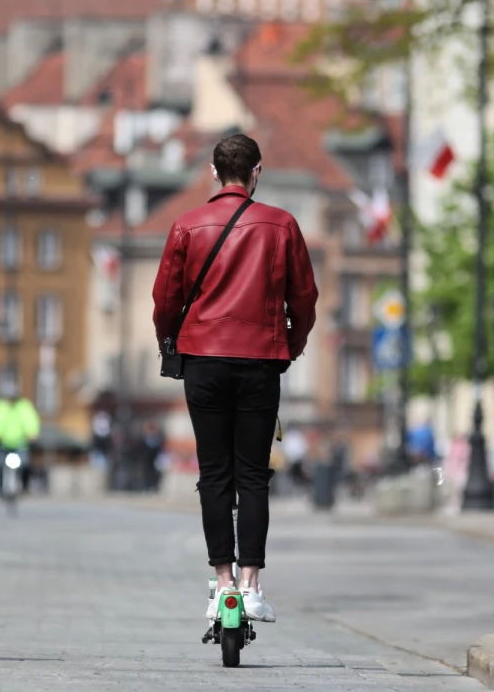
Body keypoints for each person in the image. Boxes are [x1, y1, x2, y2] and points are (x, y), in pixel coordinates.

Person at [152, 133, 317, 624]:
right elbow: (304, 300)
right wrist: (292, 343)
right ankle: (251, 585)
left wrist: (170, 340)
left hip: (202, 358)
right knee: (253, 476)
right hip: (260, 362)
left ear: (213, 170)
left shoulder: (186, 225)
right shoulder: (282, 225)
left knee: (214, 475)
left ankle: (220, 582)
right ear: (257, 172)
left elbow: (166, 300)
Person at [0, 389, 40, 496]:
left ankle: (25, 485)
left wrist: (32, 434)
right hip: (3, 442)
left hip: (20, 442)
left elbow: (30, 421)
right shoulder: (0, 407)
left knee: (24, 464)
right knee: (0, 464)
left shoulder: (24, 407)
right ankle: (0, 487)